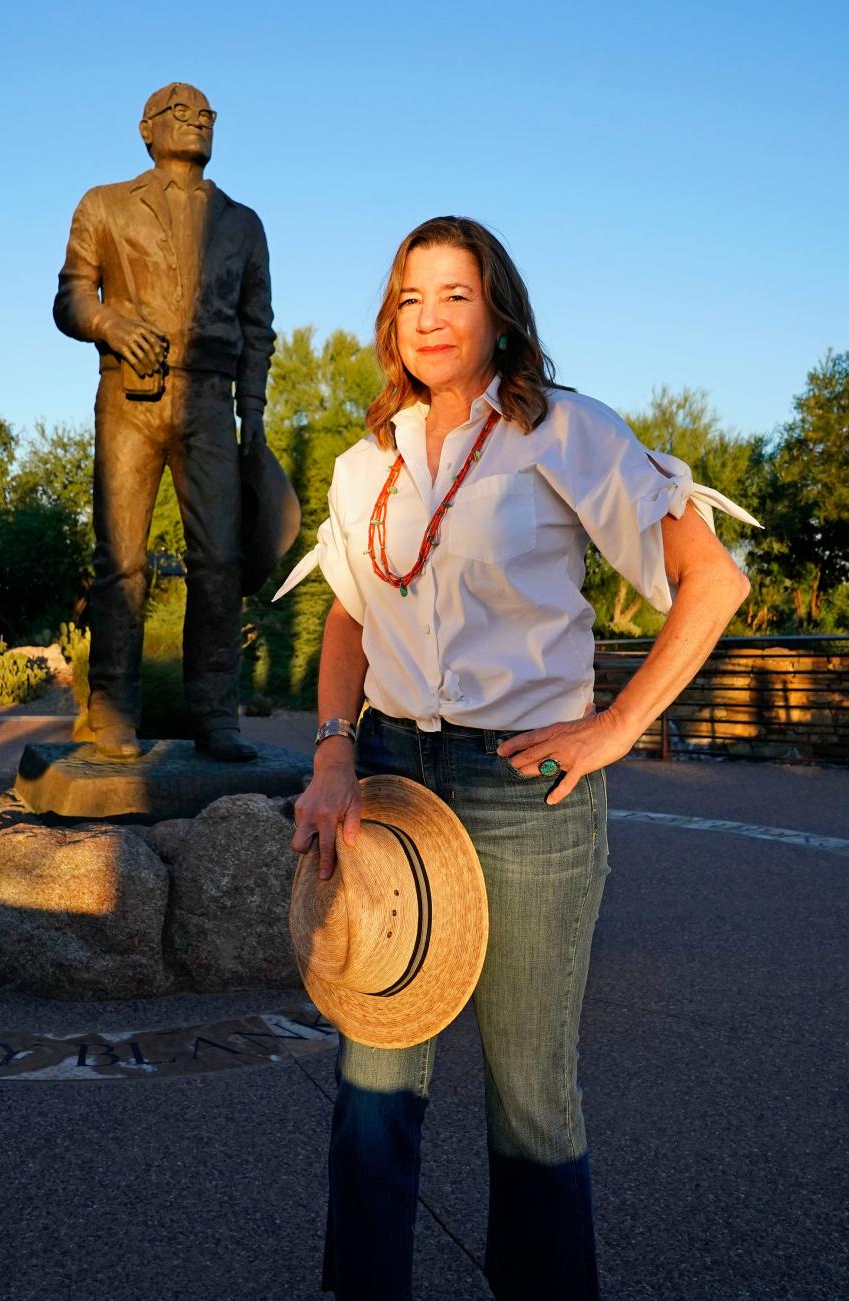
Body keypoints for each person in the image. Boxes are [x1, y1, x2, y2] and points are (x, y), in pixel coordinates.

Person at [279, 216, 760, 1300]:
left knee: (531, 1102)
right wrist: (331, 753)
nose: (433, 318)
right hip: (394, 784)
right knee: (370, 1088)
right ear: (390, 323)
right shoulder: (366, 469)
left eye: (457, 293)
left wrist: (615, 725)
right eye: (412, 297)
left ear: (499, 311)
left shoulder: (567, 434)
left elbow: (714, 579)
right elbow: (350, 621)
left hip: (527, 790)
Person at [53, 82, 275, 761]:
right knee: (119, 561)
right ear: (146, 129)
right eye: (181, 113)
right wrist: (111, 323)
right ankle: (113, 710)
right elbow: (69, 298)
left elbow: (258, 329)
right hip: (128, 395)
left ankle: (215, 712)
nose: (198, 121)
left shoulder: (243, 223)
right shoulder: (104, 204)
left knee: (220, 563)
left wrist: (254, 420)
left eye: (207, 115)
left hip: (211, 401)